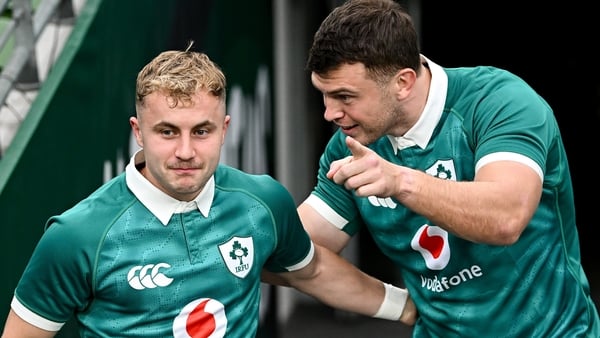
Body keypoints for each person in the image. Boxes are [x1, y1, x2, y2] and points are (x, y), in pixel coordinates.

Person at [1, 45, 417, 337]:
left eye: (202, 131)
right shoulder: (76, 237)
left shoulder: (263, 202)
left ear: (225, 130)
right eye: (167, 132)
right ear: (138, 131)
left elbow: (313, 270)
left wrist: (406, 307)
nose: (186, 152)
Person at [296, 0, 600, 337]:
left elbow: (506, 217)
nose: (329, 113)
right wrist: (397, 304)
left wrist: (399, 181)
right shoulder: (349, 146)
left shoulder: (498, 102)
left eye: (345, 96)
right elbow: (293, 251)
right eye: (323, 95)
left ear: (403, 82)